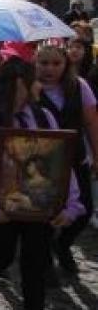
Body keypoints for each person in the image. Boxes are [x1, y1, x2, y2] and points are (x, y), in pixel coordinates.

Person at [0, 58, 83, 310]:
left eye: (29, 85)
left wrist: (71, 204)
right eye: (21, 86)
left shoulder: (44, 116)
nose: (27, 92)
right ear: (10, 85)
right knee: (3, 254)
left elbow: (62, 165)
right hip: (3, 207)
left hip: (39, 208)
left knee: (35, 268)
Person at [34, 43, 98, 279]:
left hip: (75, 157)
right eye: (44, 63)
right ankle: (46, 260)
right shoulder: (29, 89)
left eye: (56, 63)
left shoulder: (79, 86)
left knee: (84, 210)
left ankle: (63, 245)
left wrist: (97, 154)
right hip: (42, 163)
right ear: (35, 64)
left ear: (65, 64)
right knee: (45, 214)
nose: (50, 68)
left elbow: (91, 122)